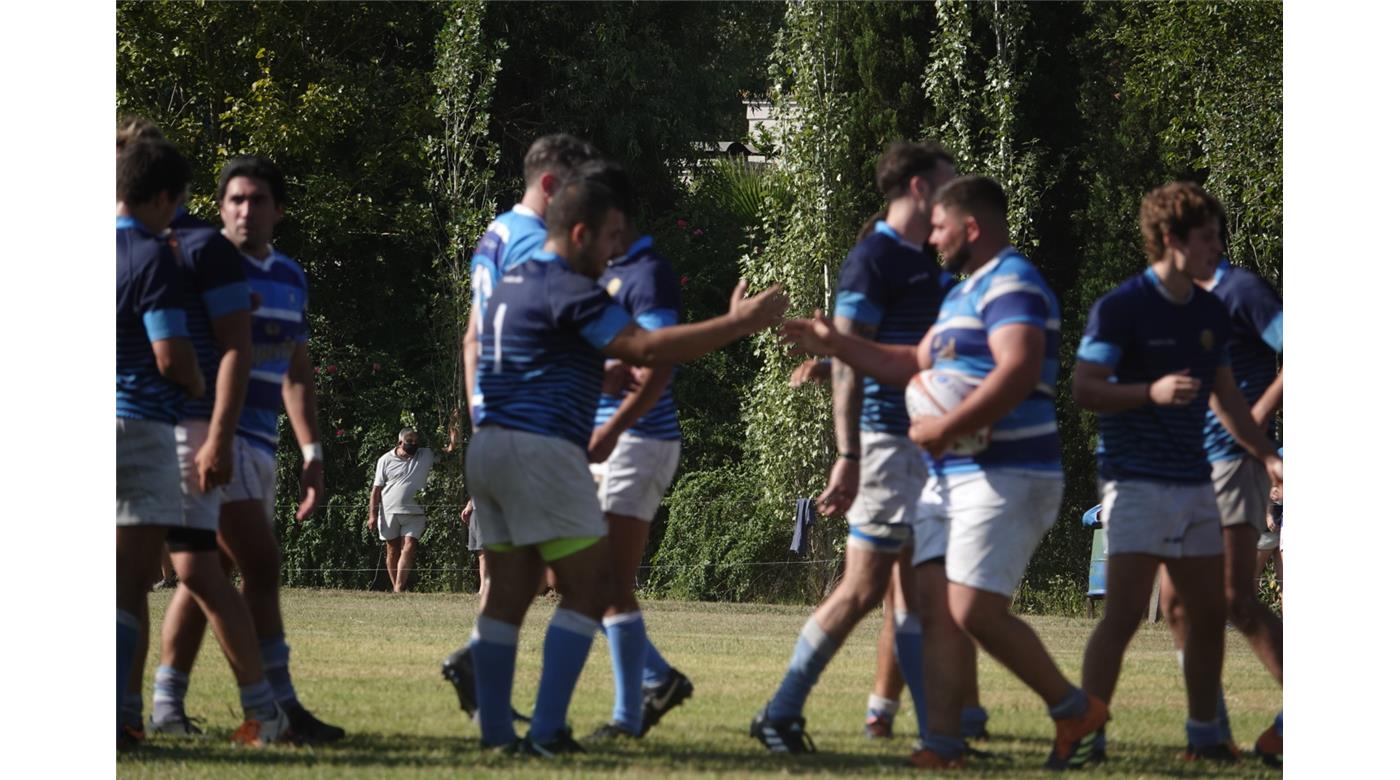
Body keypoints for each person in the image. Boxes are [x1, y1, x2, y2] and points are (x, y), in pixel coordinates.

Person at [782, 175, 1105, 770]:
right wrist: (835, 345)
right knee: (934, 607)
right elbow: (906, 360)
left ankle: (1073, 709)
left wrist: (947, 425)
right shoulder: (961, 295)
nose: (931, 235)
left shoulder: (1014, 284)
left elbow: (1018, 368)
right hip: (951, 476)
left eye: (939, 226)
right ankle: (944, 745)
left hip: (1009, 473)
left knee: (972, 610)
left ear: (971, 228)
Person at [463, 173, 786, 755]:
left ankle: (495, 736)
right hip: (542, 450)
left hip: (489, 448)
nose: (617, 249)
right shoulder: (573, 286)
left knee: (508, 596)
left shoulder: (515, 278)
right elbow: (650, 349)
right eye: (610, 236)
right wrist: (739, 325)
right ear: (580, 233)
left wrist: (592, 371)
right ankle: (546, 733)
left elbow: (527, 351)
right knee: (593, 585)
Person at [750, 142, 960, 755]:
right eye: (947, 184)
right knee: (863, 589)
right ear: (919, 188)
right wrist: (849, 453)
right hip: (887, 447)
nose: (955, 196)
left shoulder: (923, 261)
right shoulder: (874, 258)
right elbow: (848, 357)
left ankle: (937, 735)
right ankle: (779, 712)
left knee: (915, 595)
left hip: (919, 447)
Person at [1072, 181, 1282, 764]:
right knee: (1134, 614)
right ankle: (1087, 730)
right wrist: (1151, 391)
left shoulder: (1216, 306)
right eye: (1207, 237)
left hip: (1202, 479)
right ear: (1171, 239)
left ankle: (1208, 737)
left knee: (1215, 607)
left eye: (1218, 235)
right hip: (1136, 480)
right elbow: (1085, 389)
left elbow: (1226, 399)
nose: (1218, 246)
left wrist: (1265, 452)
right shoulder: (1121, 306)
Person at [150, 155, 342, 742]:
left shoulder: (290, 275)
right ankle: (278, 707)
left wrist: (311, 453)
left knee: (208, 573)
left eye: (258, 200)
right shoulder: (201, 266)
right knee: (260, 562)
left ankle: (166, 704)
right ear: (219, 206)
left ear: (279, 210)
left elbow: (297, 372)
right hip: (213, 438)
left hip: (261, 442)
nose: (245, 210)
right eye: (235, 199)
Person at [118, 135, 291, 748]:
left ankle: (264, 708)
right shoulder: (143, 242)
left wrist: (217, 433)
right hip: (148, 430)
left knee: (203, 565)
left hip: (186, 430)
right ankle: (138, 711)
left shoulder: (197, 248)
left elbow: (233, 349)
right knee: (140, 577)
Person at [443, 134, 600, 716]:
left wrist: (482, 412)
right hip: (534, 422)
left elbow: (472, 337)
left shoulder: (493, 236)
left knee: (520, 577)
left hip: (499, 424)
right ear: (554, 186)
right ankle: (538, 715)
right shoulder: (538, 241)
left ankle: (489, 700)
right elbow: (564, 329)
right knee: (579, 578)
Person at [571, 161, 694, 741]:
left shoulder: (646, 273)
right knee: (566, 573)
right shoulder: (602, 271)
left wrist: (615, 428)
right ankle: (658, 677)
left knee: (606, 582)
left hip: (637, 441)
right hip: (602, 442)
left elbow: (659, 364)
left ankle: (628, 715)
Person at [1156, 229, 1284, 764]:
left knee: (1235, 599)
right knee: (1176, 602)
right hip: (1188, 464)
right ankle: (1209, 736)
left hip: (1233, 460)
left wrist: (1253, 425)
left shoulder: (1241, 290)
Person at [117, 136, 205, 748]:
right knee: (129, 583)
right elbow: (171, 354)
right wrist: (200, 380)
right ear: (167, 197)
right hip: (137, 424)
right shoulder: (151, 256)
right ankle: (117, 717)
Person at [369, 428, 435, 593]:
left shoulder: (425, 454)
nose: (413, 444)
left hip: (415, 513)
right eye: (409, 442)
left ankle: (398, 588)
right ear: (400, 443)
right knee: (392, 550)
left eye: (415, 441)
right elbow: (376, 490)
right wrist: (372, 515)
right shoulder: (384, 460)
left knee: (409, 546)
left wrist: (453, 428)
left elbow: (449, 451)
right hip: (389, 512)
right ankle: (396, 588)